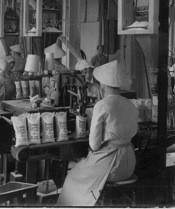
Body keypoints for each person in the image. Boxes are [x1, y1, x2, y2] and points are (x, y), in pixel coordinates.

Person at [57, 60, 138, 206]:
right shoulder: (130, 103)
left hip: (113, 166)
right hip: (130, 162)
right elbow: (134, 131)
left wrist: (96, 149)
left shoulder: (102, 105)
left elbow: (94, 145)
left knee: (74, 174)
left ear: (103, 84)